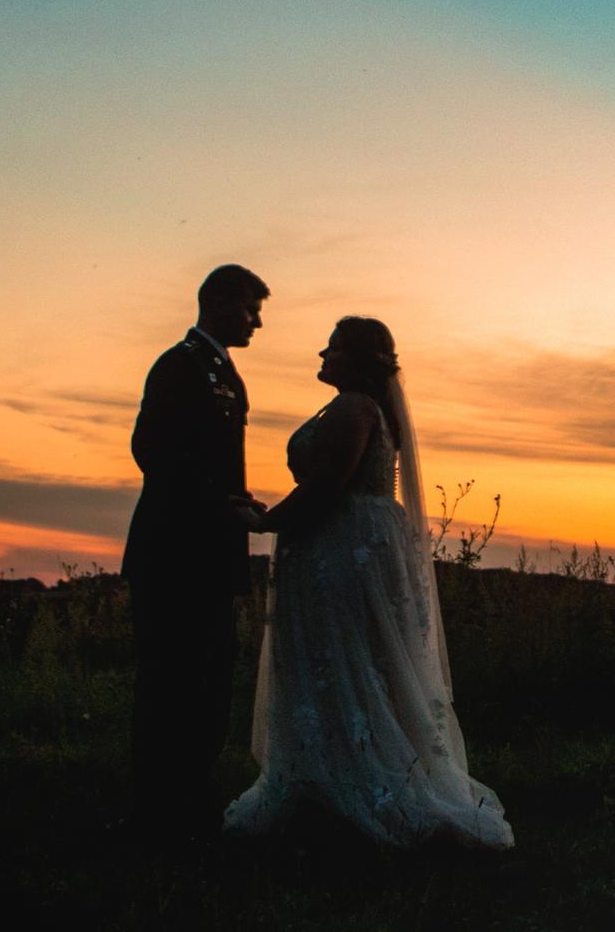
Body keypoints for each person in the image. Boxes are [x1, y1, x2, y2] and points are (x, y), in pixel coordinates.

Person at [225, 315, 515, 848]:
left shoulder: (356, 408)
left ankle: (357, 786)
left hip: (341, 549)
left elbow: (330, 483)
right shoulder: (360, 408)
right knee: (342, 660)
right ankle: (331, 777)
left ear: (356, 359)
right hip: (344, 544)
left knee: (344, 658)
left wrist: (266, 521)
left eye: (332, 348)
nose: (322, 355)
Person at [124, 263, 272, 843]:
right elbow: (152, 450)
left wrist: (235, 501)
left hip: (210, 552)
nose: (257, 322)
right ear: (216, 304)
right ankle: (157, 808)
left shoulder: (223, 372)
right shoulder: (179, 366)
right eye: (249, 309)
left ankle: (191, 795)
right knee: (170, 681)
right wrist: (217, 503)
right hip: (174, 551)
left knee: (209, 677)